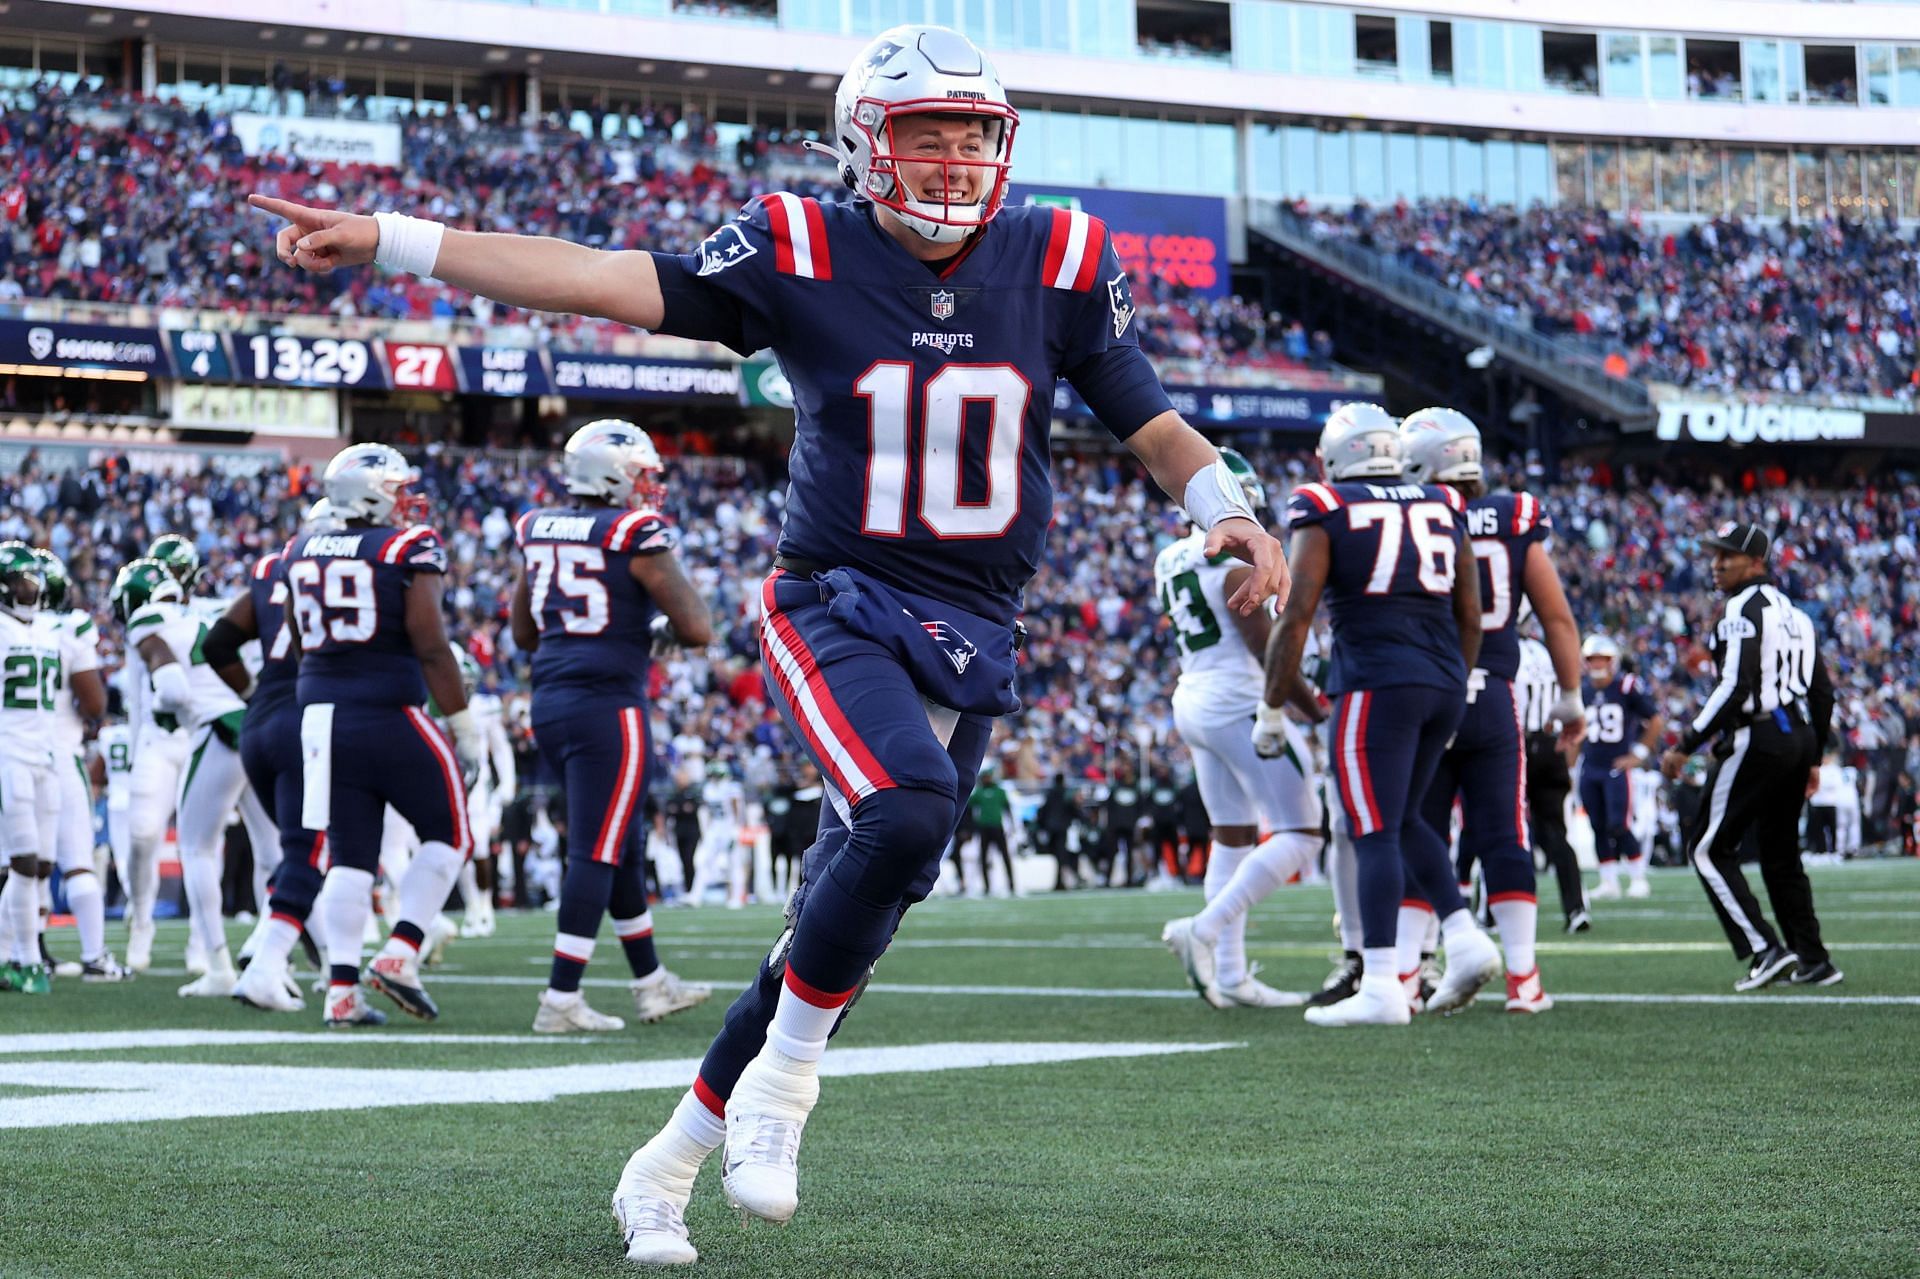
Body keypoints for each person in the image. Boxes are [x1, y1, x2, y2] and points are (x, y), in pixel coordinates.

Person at [254, 24, 1284, 1262]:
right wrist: (392, 239)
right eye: (925, 134)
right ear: (866, 143)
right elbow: (596, 276)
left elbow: (1153, 422)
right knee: (905, 816)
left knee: (844, 919)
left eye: (974, 133)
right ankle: (783, 1098)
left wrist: (1226, 506)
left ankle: (666, 1160)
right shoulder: (802, 242)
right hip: (837, 599)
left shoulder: (1059, 253)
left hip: (975, 622)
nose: (955, 159)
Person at [1263, 404, 1501, 1027]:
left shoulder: (1325, 504)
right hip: (1445, 680)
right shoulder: (1443, 504)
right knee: (1405, 817)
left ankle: (1380, 986)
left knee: (1370, 830)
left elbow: (1298, 614)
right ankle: (1467, 937)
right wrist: (1455, 675)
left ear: (1336, 455)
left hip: (1375, 685)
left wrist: (1272, 704)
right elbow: (1470, 614)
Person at [510, 418, 715, 1032]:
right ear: (612, 474)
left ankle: (651, 983)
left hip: (550, 702)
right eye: (640, 474)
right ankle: (561, 997)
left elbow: (524, 632)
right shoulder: (633, 531)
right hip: (608, 707)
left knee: (619, 845)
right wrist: (651, 630)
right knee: (596, 849)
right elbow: (698, 628)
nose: (647, 487)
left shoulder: (538, 528)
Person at [285, 443, 484, 1028]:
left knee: (349, 859)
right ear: (369, 493)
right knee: (449, 832)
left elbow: (304, 642)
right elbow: (429, 642)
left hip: (321, 714)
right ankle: (400, 952)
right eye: (397, 489)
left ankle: (340, 992)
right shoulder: (406, 546)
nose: (406, 501)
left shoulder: (300, 548)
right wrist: (462, 721)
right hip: (388, 709)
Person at [1398, 408, 1585, 1014]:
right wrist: (1571, 694)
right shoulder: (1510, 516)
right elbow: (1556, 616)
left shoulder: (1406, 515)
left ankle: (1403, 975)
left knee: (1417, 827)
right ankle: (1524, 981)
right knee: (1505, 835)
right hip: (1494, 699)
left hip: (1426, 694)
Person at [1158, 447, 1323, 1009]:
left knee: (1232, 836)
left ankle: (1228, 974)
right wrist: (1317, 708)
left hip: (1196, 699)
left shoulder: (1170, 558)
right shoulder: (1229, 561)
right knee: (1303, 833)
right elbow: (1267, 648)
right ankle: (1201, 932)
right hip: (1237, 703)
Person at [1660, 522, 1840, 990]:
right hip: (1796, 734)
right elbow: (1822, 694)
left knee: (1706, 847)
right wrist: (1814, 755)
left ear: (1756, 562)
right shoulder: (1796, 614)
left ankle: (1765, 948)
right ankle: (1813, 957)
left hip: (1759, 735)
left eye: (1728, 556)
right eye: (1714, 555)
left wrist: (1685, 744)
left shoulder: (1741, 607)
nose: (1716, 564)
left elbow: (1735, 686)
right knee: (1781, 854)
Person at [123, 556, 281, 999]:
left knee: (195, 847)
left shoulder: (149, 620)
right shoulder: (215, 610)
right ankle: (278, 953)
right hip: (256, 722)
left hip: (214, 731)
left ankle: (216, 962)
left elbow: (172, 689)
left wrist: (166, 705)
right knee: (274, 850)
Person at [219, 499, 341, 1014]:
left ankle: (326, 962)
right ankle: (269, 967)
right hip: (306, 717)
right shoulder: (359, 560)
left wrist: (251, 695)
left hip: (260, 720)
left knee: (301, 852)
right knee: (312, 852)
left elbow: (220, 642)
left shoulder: (275, 565)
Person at [31, 549, 123, 980]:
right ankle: (94, 956)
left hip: (11, 753)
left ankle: (26, 954)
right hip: (59, 754)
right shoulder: (70, 628)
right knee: (77, 859)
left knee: (21, 861)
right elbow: (93, 703)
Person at [118, 538, 198, 972]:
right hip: (156, 739)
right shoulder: (146, 622)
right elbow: (136, 694)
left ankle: (204, 938)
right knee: (143, 834)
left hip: (196, 738)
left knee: (200, 843)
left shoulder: (199, 615)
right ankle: (142, 918)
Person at [0, 544, 61, 994]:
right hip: (10, 754)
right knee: (21, 862)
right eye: (22, 579)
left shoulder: (49, 629)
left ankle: (8, 956)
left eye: (33, 579)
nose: (31, 587)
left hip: (45, 755)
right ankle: (26, 960)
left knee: (38, 865)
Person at [1578, 636, 1664, 900]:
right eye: (1592, 659)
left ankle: (1638, 877)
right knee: (1597, 825)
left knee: (1619, 824)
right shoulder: (1583, 690)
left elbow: (1656, 720)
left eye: (1602, 659)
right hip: (1590, 766)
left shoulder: (1625, 687)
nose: (1597, 664)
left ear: (1612, 661)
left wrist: (1638, 753)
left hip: (1616, 766)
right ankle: (1608, 882)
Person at [1516, 633, 1589, 932]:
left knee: (1503, 831)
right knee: (1557, 834)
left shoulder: (1503, 647)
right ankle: (1576, 909)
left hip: (1516, 744)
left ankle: (1492, 911)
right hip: (1551, 745)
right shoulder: (1546, 652)